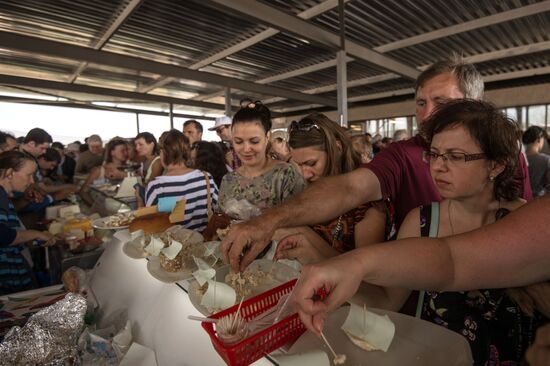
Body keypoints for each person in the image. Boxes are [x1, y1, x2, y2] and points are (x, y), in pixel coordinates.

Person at [221, 55, 532, 272]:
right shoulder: (404, 162)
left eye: (442, 103)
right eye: (421, 103)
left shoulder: (509, 160)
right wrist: (269, 220)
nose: (426, 114)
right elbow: (351, 187)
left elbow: (521, 230)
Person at [274, 113, 389, 264]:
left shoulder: (368, 204)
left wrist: (303, 233)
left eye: (311, 163)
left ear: (337, 148)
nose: (305, 174)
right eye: (299, 165)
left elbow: (367, 278)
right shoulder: (311, 189)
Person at [216, 101, 305, 216]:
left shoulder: (285, 175)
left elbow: (299, 220)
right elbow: (220, 221)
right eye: (238, 141)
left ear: (267, 136)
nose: (246, 149)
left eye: (254, 141)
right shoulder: (228, 180)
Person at [0, 151, 57, 295]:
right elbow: (4, 235)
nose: (32, 181)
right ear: (10, 173)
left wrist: (32, 239)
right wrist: (35, 234)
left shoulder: (5, 196)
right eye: (29, 174)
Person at [145, 130, 217, 231]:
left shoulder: (157, 186)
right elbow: (217, 209)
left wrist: (140, 201)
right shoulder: (206, 177)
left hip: (173, 245)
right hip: (205, 243)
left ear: (163, 152)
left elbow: (152, 224)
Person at [523, 126, 550, 197]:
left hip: (521, 201)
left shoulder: (518, 159)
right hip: (538, 201)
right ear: (538, 139)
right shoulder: (546, 160)